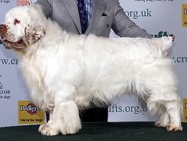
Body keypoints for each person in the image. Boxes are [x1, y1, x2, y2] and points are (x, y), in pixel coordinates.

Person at [17, 0, 152, 122]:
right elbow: (37, 11)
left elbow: (127, 28)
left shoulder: (110, 2)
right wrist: (25, 11)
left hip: (97, 88)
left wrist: (154, 44)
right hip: (61, 87)